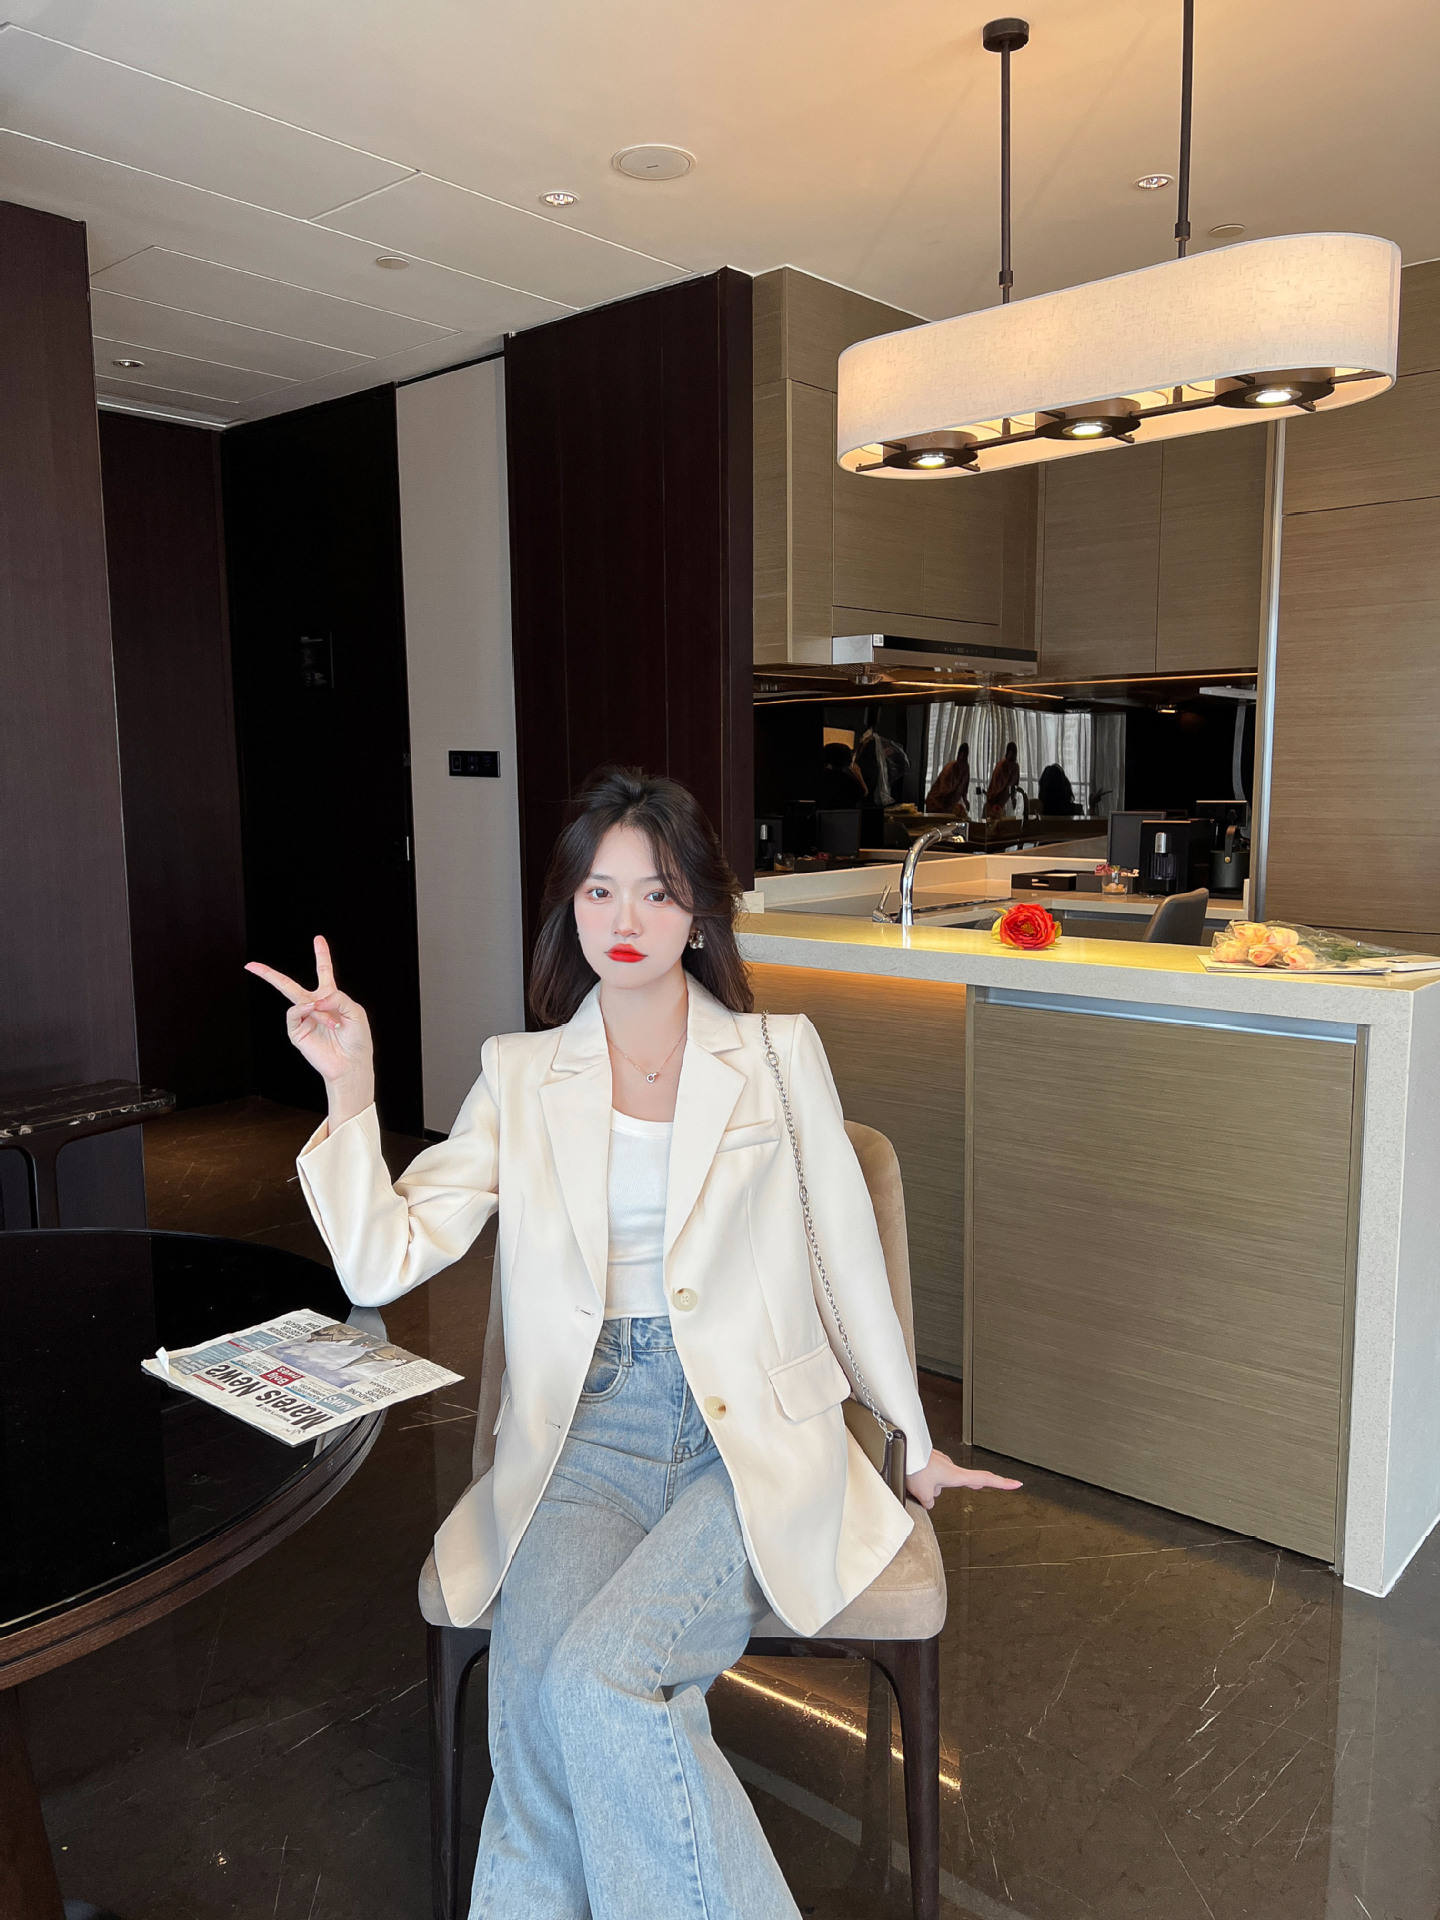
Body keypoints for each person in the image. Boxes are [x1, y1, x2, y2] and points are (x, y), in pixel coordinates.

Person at [247, 767, 1019, 1920]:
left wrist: (910, 1439)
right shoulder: (521, 1076)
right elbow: (380, 1264)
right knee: (536, 1714)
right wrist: (349, 1086)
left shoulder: (776, 1054)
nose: (624, 919)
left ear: (698, 912)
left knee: (602, 1682)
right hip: (587, 1431)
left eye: (655, 893)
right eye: (599, 892)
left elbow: (847, 1265)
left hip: (751, 1436)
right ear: (570, 907)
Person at [815, 739, 866, 810]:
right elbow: (863, 792)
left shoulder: (819, 778)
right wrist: (858, 773)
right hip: (846, 815)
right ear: (847, 761)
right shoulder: (850, 782)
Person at [924, 744, 971, 815]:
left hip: (947, 807)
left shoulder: (966, 769)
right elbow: (944, 790)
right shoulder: (949, 769)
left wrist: (965, 800)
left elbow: (964, 788)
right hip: (936, 804)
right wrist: (957, 784)